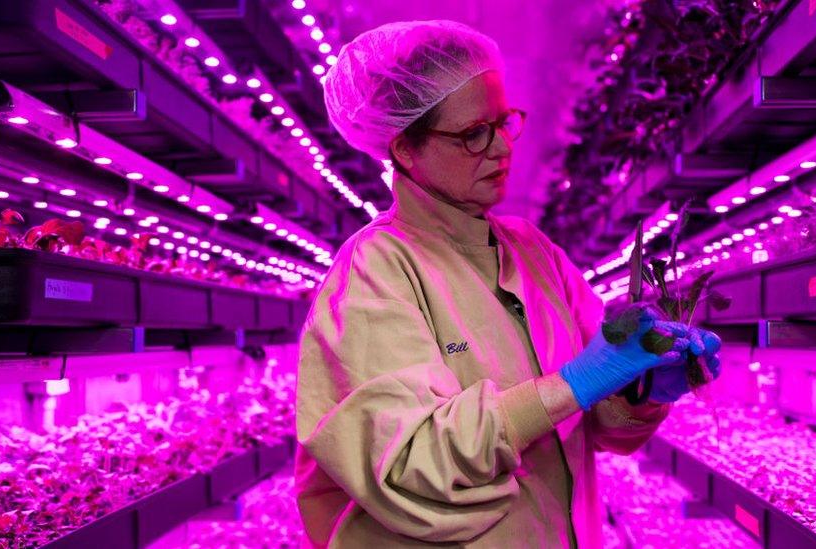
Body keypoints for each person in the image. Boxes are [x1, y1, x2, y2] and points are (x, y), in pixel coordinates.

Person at [294, 20, 721, 548]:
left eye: (503, 122)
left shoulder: (535, 252)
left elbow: (598, 429)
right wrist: (569, 385)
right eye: (474, 133)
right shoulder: (375, 272)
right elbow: (412, 464)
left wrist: (643, 391)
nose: (501, 148)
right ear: (406, 149)